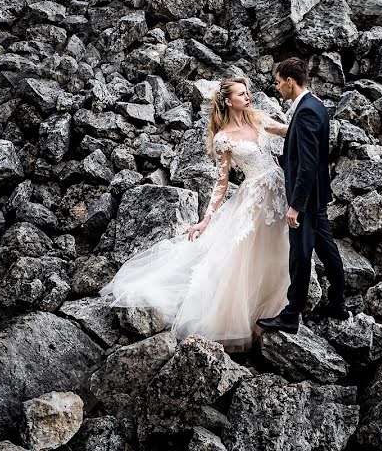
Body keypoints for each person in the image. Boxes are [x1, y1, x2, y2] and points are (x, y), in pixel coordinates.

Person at [99, 76, 291, 351]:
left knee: (277, 253)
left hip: (279, 192)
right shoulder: (223, 139)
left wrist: (311, 112)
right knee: (249, 259)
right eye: (241, 94)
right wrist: (206, 220)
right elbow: (221, 184)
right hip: (255, 200)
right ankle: (248, 322)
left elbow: (289, 131)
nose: (247, 97)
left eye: (247, 92)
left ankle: (276, 311)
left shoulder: (258, 119)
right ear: (228, 101)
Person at [256, 58, 348, 335]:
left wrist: (295, 205)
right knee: (327, 249)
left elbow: (308, 164)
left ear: (290, 82)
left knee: (300, 254)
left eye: (277, 82)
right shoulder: (315, 105)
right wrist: (283, 158)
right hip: (317, 194)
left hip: (305, 198)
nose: (277, 87)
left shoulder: (306, 111)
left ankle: (290, 315)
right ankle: (338, 302)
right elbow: (307, 152)